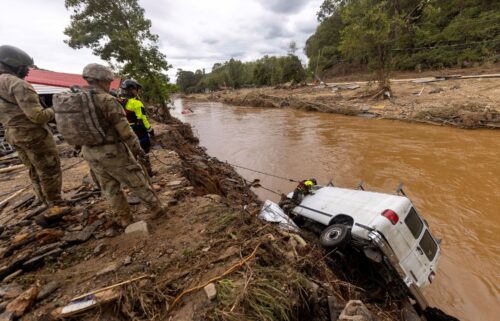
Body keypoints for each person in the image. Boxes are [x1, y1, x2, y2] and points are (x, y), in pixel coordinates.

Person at [54, 63, 166, 227]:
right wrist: (138, 151)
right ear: (103, 79)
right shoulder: (107, 100)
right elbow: (125, 131)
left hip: (89, 152)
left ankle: (125, 219)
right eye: (108, 81)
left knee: (109, 188)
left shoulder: (75, 99)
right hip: (112, 151)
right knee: (136, 181)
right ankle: (156, 210)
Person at [0, 45, 62, 206]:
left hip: (12, 134)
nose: (27, 71)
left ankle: (41, 199)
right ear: (13, 64)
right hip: (33, 135)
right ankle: (55, 204)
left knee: (33, 169)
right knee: (49, 169)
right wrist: (56, 109)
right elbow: (38, 116)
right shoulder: (17, 84)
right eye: (25, 67)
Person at [118, 79, 154, 176]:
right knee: (144, 150)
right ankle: (148, 172)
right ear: (131, 89)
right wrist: (150, 130)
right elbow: (142, 118)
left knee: (130, 152)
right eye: (137, 89)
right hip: (138, 129)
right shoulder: (136, 103)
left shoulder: (119, 101)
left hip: (124, 129)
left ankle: (134, 173)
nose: (138, 91)